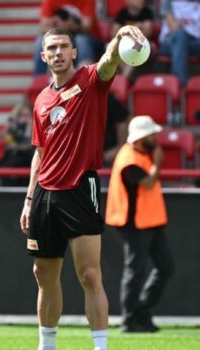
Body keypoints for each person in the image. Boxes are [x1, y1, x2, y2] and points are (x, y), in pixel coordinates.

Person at [20, 25, 147, 350]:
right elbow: (40, 153)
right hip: (44, 196)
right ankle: (47, 346)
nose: (59, 52)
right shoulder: (42, 100)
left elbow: (108, 61)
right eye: (52, 48)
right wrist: (29, 198)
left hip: (80, 189)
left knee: (89, 275)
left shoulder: (91, 80)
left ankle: (100, 347)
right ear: (43, 55)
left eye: (64, 46)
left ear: (74, 52)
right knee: (42, 275)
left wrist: (119, 40)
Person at [105, 116, 174, 333]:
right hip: (134, 223)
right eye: (152, 134)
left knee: (165, 267)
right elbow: (149, 182)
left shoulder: (142, 153)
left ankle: (141, 312)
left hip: (150, 221)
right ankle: (129, 319)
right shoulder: (129, 160)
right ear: (141, 137)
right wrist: (158, 162)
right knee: (135, 271)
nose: (156, 138)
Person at [33, 0, 103, 75]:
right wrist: (61, 27)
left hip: (89, 40)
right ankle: (39, 79)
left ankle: (85, 78)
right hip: (62, 37)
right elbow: (43, 27)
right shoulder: (49, 1)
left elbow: (87, 26)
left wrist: (68, 26)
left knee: (81, 39)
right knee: (41, 41)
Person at [110, 0, 154, 83]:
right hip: (125, 45)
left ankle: (122, 81)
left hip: (143, 46)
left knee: (136, 47)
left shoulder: (147, 13)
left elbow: (147, 33)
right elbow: (113, 34)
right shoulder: (122, 13)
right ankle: (125, 81)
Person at [158, 0, 200, 86]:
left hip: (193, 42)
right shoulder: (169, 1)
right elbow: (174, 27)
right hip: (170, 41)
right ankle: (180, 85)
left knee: (184, 39)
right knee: (181, 35)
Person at [0, 96, 35, 186]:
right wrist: (13, 124)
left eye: (27, 116)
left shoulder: (35, 131)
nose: (24, 119)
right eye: (21, 116)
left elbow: (30, 145)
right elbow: (8, 140)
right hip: (11, 171)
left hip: (29, 168)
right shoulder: (13, 130)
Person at [103, 93, 130, 167]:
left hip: (107, 156)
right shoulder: (71, 99)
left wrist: (118, 149)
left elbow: (124, 121)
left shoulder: (105, 97)